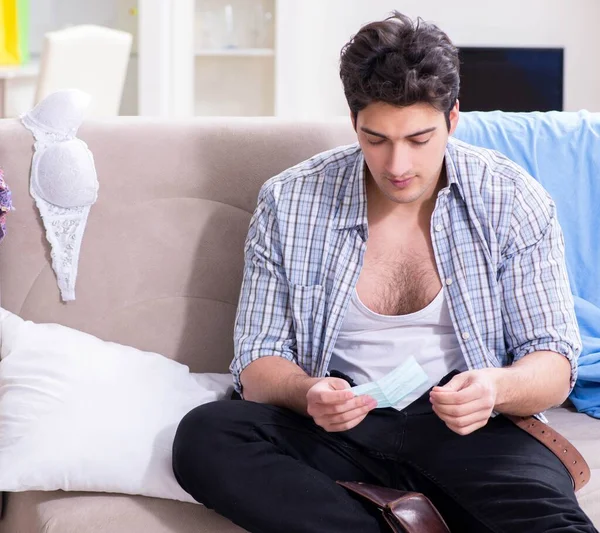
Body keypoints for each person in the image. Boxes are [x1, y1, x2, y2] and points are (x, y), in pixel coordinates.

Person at [172, 11, 597, 532]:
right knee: (206, 436)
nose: (397, 165)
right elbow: (258, 360)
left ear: (453, 119)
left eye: (419, 140)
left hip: (473, 431)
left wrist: (495, 388)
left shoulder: (512, 199)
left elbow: (554, 364)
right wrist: (308, 394)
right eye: (376, 139)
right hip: (334, 430)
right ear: (354, 123)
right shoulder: (290, 201)